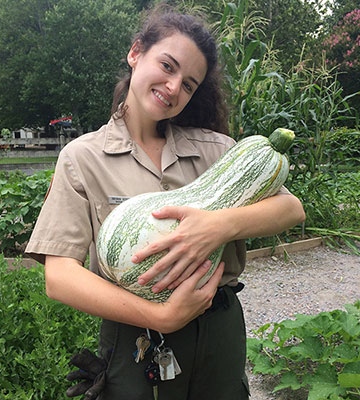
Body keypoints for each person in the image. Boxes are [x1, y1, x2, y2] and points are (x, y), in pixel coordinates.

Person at [25, 5, 305, 400]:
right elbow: (59, 277)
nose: (174, 88)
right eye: (167, 66)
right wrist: (162, 316)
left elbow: (291, 209)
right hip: (134, 333)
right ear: (136, 52)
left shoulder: (219, 151)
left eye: (189, 84)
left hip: (218, 328)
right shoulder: (82, 157)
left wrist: (220, 226)